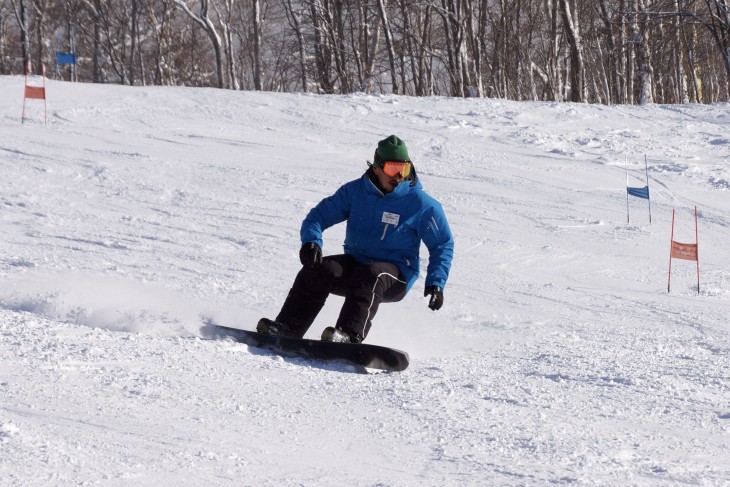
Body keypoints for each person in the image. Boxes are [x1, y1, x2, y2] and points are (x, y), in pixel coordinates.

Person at [257, 135, 454, 343]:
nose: (398, 176)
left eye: (403, 169)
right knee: (320, 269)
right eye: (392, 169)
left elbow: (442, 243)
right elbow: (318, 216)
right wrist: (311, 241)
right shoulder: (355, 192)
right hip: (358, 263)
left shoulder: (421, 204)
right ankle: (287, 329)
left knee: (370, 274)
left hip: (397, 273)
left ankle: (348, 336)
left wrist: (436, 282)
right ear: (376, 168)